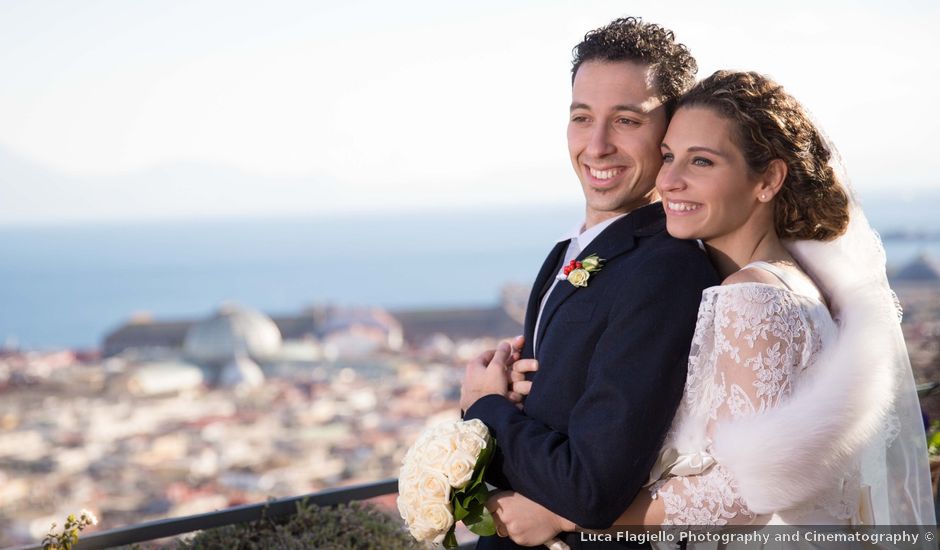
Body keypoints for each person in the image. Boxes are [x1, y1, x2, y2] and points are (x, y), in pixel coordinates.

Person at [489, 70, 936, 545]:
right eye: (668, 156)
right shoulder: (791, 284)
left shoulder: (753, 296)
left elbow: (741, 494)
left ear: (768, 179)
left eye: (701, 161)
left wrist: (564, 517)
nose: (671, 181)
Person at [458, 17, 720, 549]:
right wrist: (499, 398)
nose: (596, 145)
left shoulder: (667, 269)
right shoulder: (572, 250)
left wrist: (483, 409)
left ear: (670, 133)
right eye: (582, 117)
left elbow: (591, 490)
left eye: (626, 120)